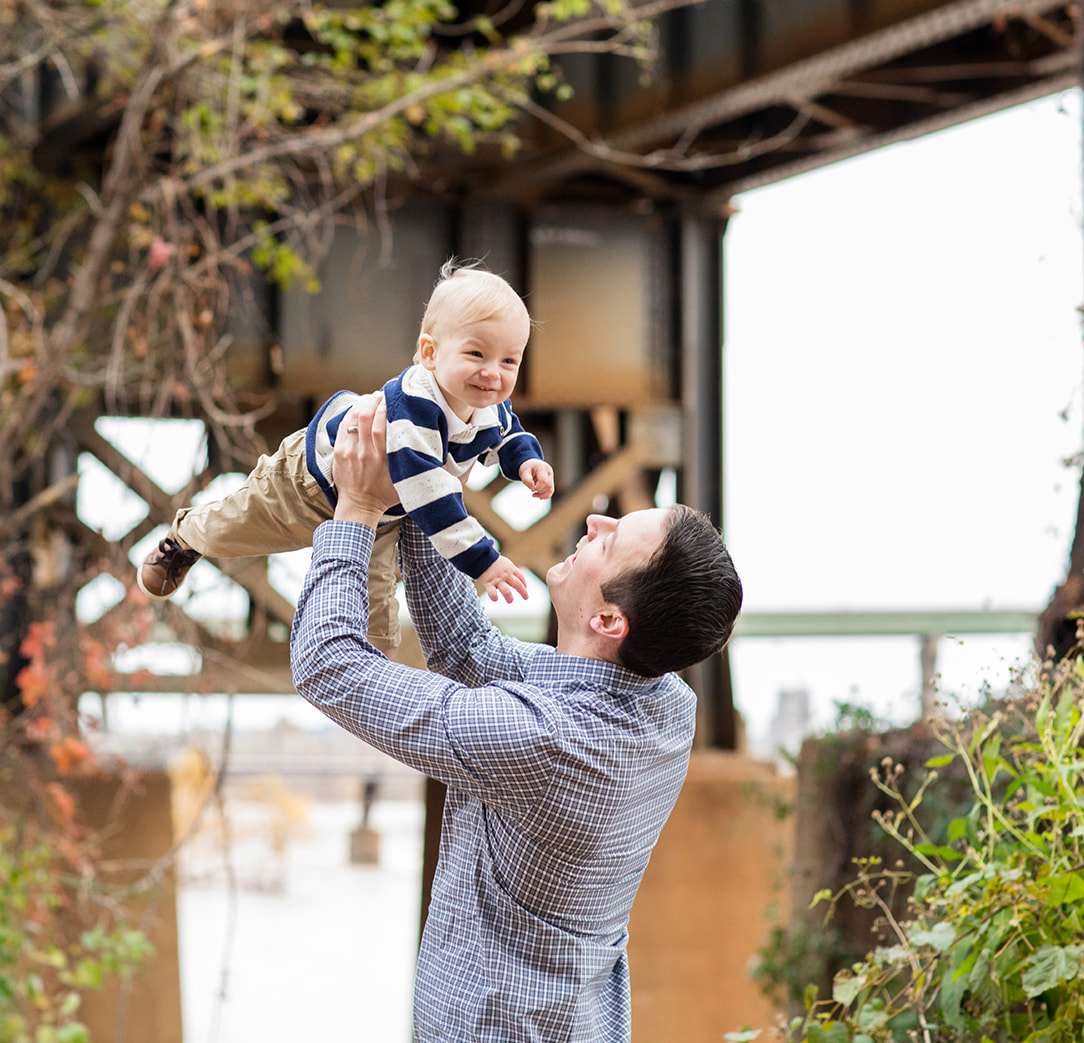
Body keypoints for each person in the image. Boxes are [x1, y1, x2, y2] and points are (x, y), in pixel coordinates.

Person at [289, 396, 743, 1042]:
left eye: (611, 540)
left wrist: (358, 510)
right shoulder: (667, 708)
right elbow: (473, 654)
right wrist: (430, 490)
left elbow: (328, 665)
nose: (592, 519)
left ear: (611, 621)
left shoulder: (544, 740)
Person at [137, 260, 556, 654]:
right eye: (476, 355)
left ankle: (377, 681)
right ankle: (184, 539)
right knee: (233, 528)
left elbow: (506, 430)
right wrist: (484, 562)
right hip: (310, 483)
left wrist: (525, 462)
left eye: (509, 361)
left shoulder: (485, 403)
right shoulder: (416, 407)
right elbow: (432, 498)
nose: (493, 373)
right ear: (430, 354)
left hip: (381, 518)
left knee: (376, 616)